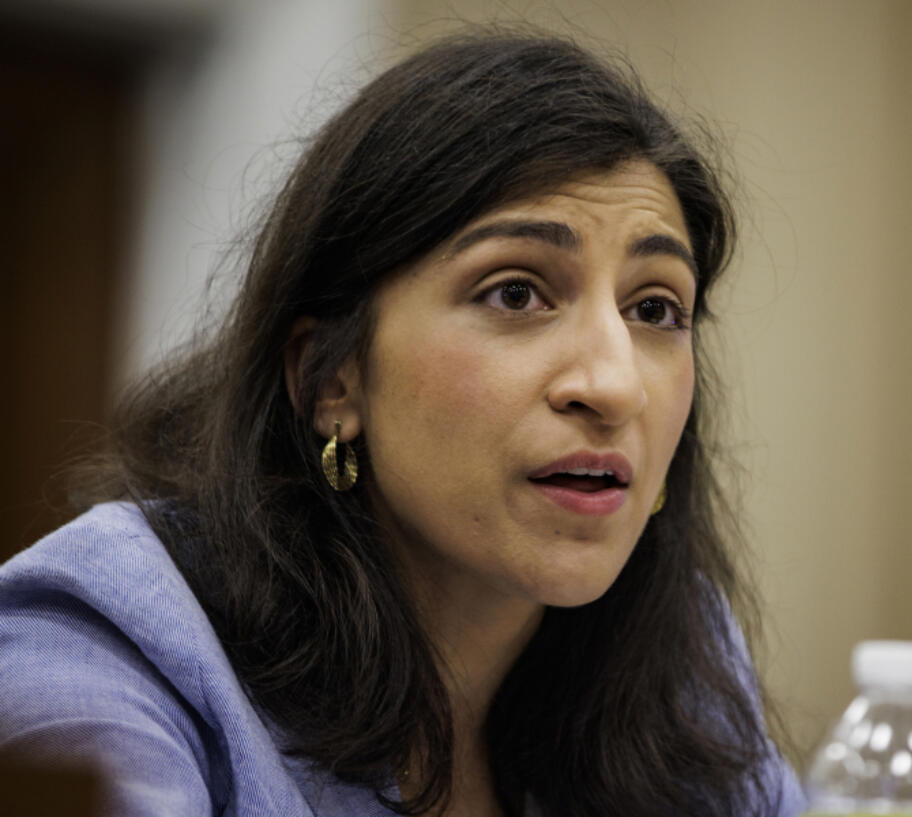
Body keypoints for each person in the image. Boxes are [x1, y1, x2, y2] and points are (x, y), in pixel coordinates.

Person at [0, 30, 804, 817]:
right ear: (331, 379)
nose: (615, 384)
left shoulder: (678, 668)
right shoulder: (111, 633)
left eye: (655, 307)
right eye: (516, 292)